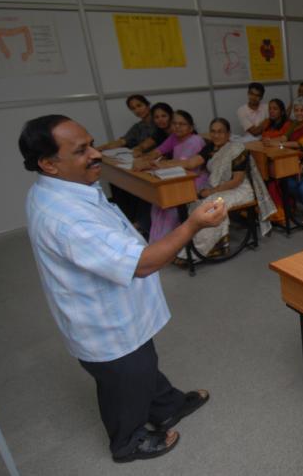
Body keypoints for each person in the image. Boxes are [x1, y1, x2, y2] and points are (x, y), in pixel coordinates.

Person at [20, 115, 226, 462]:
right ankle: (127, 441)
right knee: (124, 380)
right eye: (82, 150)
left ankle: (167, 406)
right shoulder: (65, 217)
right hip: (103, 321)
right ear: (49, 164)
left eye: (92, 144)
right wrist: (192, 224)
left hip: (119, 309)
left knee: (143, 363)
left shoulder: (61, 189)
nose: (96, 154)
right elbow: (142, 263)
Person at [173, 118, 276, 261]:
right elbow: (191, 163)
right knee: (194, 201)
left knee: (212, 205)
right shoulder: (210, 147)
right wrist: (163, 164)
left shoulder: (237, 149)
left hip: (240, 190)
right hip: (219, 188)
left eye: (220, 132)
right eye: (213, 132)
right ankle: (193, 245)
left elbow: (236, 181)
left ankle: (208, 248)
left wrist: (211, 191)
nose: (216, 135)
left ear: (228, 134)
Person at [135, 110, 208, 243]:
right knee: (159, 201)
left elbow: (187, 165)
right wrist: (146, 158)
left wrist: (157, 164)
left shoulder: (195, 141)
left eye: (182, 124)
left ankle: (172, 242)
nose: (177, 127)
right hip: (174, 177)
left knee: (171, 203)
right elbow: (158, 151)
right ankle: (158, 241)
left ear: (191, 127)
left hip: (193, 179)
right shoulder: (174, 137)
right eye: (175, 123)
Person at [98, 95, 155, 227]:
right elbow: (122, 141)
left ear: (147, 104)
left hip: (151, 161)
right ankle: (128, 218)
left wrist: (139, 150)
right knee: (117, 182)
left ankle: (140, 222)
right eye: (133, 108)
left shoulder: (158, 122)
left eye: (139, 106)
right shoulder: (138, 126)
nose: (137, 110)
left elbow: (151, 143)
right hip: (137, 161)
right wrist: (97, 149)